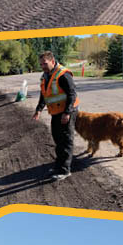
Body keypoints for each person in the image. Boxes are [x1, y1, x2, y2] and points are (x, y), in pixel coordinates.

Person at [32, 51, 79, 180]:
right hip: (56, 112)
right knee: (58, 140)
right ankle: (59, 166)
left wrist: (67, 113)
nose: (43, 66)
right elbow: (44, 94)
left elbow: (72, 94)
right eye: (41, 64)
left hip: (67, 112)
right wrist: (39, 109)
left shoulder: (63, 74)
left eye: (45, 64)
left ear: (52, 61)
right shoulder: (45, 76)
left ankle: (65, 170)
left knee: (66, 141)